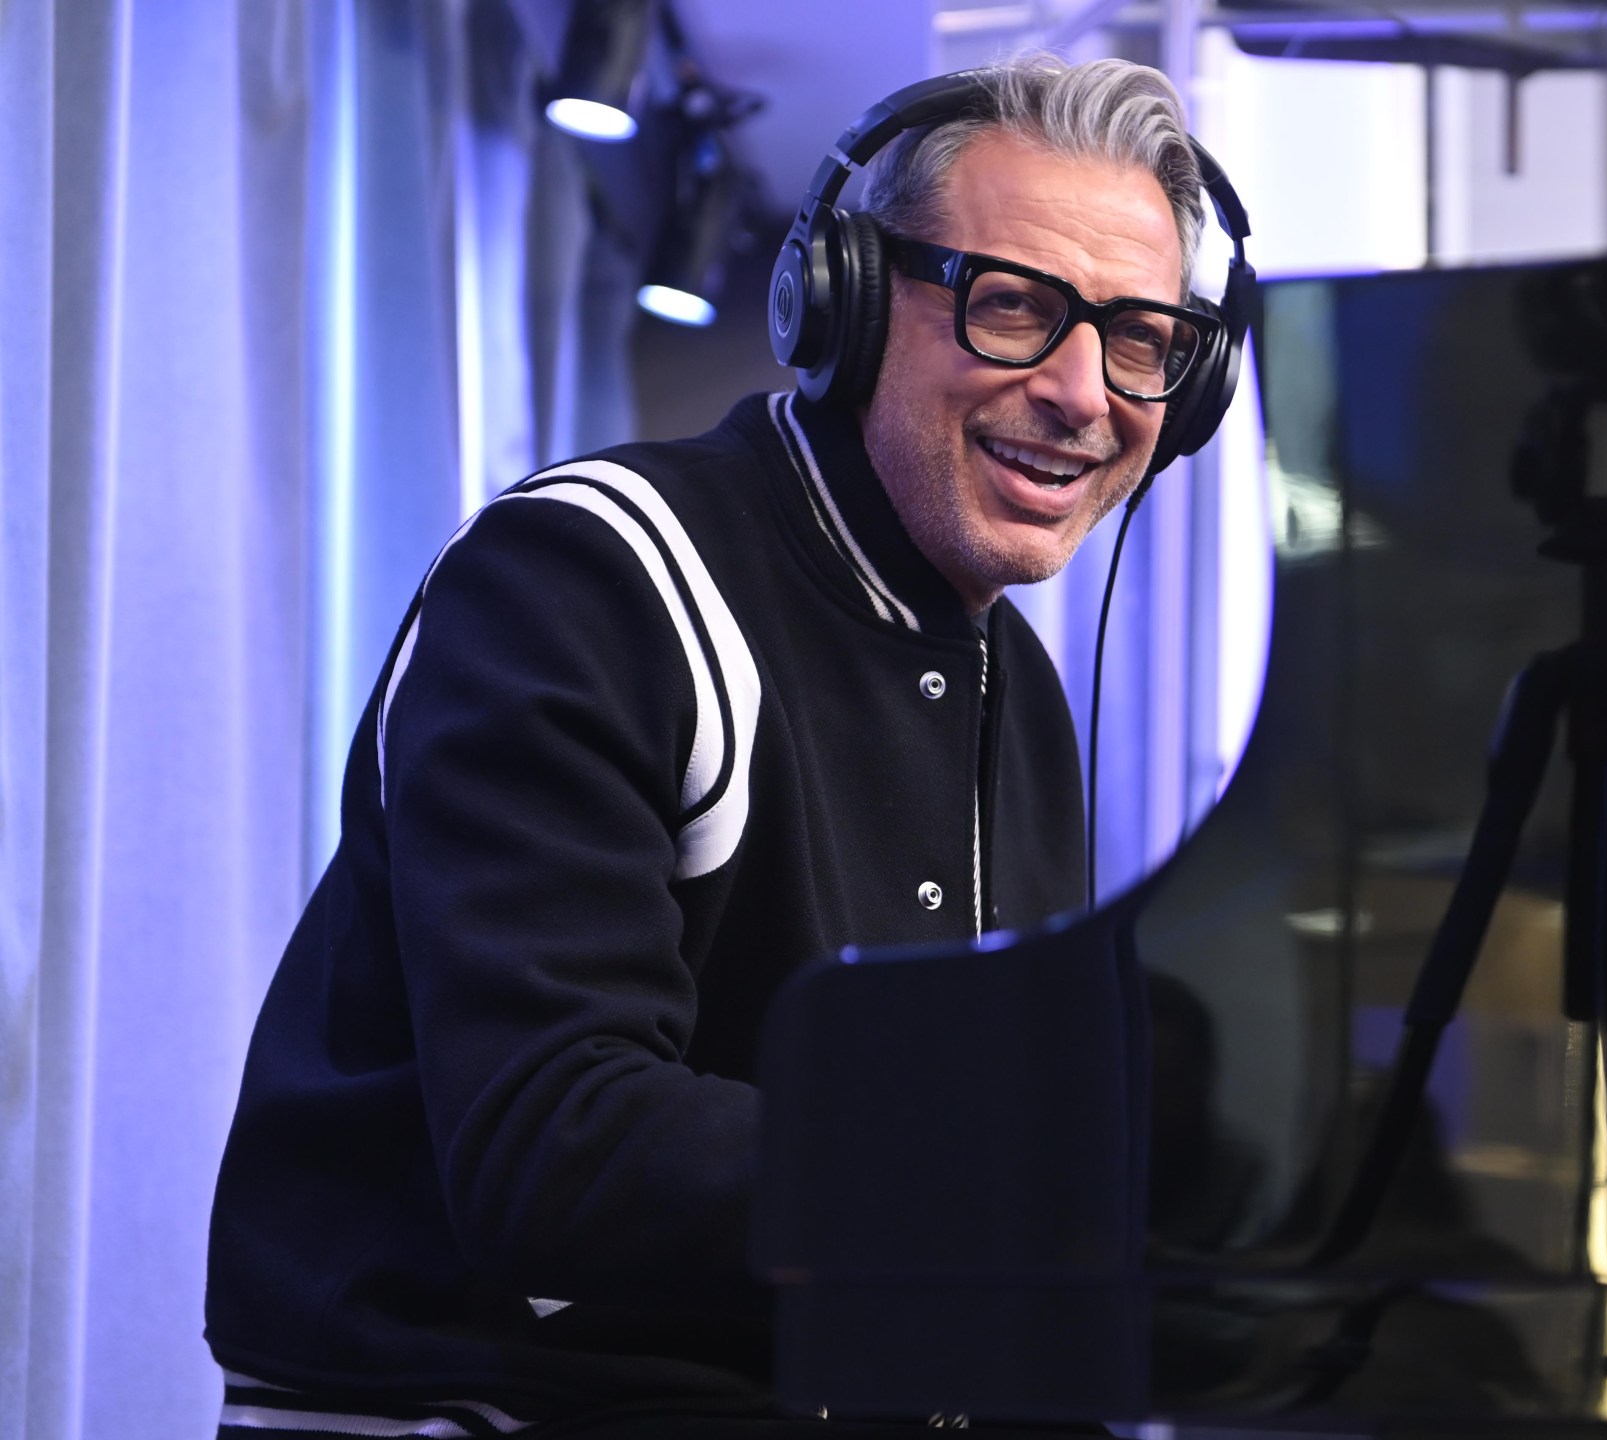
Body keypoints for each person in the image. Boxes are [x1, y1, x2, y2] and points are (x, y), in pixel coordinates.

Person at [205, 55, 1237, 1436]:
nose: (1082, 392)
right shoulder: (587, 578)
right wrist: (1037, 1179)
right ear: (849, 303)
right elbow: (551, 1149)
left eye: (1139, 340)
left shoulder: (1015, 684)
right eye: (1012, 308)